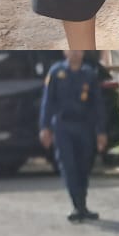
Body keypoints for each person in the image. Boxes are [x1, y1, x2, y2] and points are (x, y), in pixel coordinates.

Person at [40, 49, 109, 222]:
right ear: (65, 51)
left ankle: (82, 204)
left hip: (84, 127)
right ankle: (77, 206)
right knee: (68, 165)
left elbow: (97, 105)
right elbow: (48, 101)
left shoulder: (89, 74)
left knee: (84, 166)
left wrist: (101, 131)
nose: (75, 52)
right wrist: (45, 127)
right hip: (63, 127)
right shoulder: (56, 72)